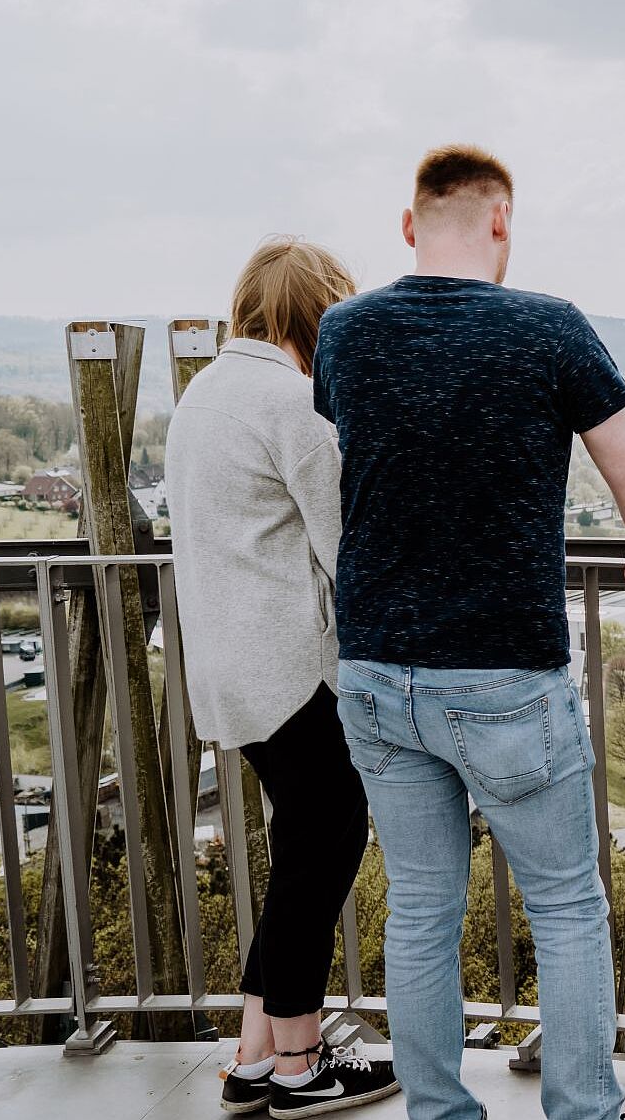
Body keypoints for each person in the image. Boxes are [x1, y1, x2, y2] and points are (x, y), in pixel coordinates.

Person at [315, 145, 625, 1120]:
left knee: (421, 908)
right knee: (565, 905)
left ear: (409, 224)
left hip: (373, 664)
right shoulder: (549, 328)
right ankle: (582, 1110)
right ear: (501, 221)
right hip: (503, 670)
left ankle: (439, 1111)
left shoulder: (347, 332)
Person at [166, 237, 403, 1118]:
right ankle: (303, 1068)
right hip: (294, 672)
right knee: (321, 860)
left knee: (300, 857)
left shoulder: (205, 394)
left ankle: (254, 1058)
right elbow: (352, 551)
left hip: (227, 669)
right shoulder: (291, 403)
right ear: (319, 316)